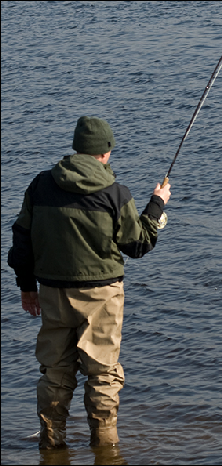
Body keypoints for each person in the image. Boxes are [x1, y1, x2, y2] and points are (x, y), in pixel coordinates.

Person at [8, 116, 171, 450]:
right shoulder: (115, 193)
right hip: (102, 295)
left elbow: (21, 239)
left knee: (55, 371)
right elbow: (138, 244)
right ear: (106, 152)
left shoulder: (40, 185)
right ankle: (105, 447)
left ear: (77, 147)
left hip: (52, 292)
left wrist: (27, 288)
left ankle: (52, 445)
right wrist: (157, 205)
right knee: (102, 374)